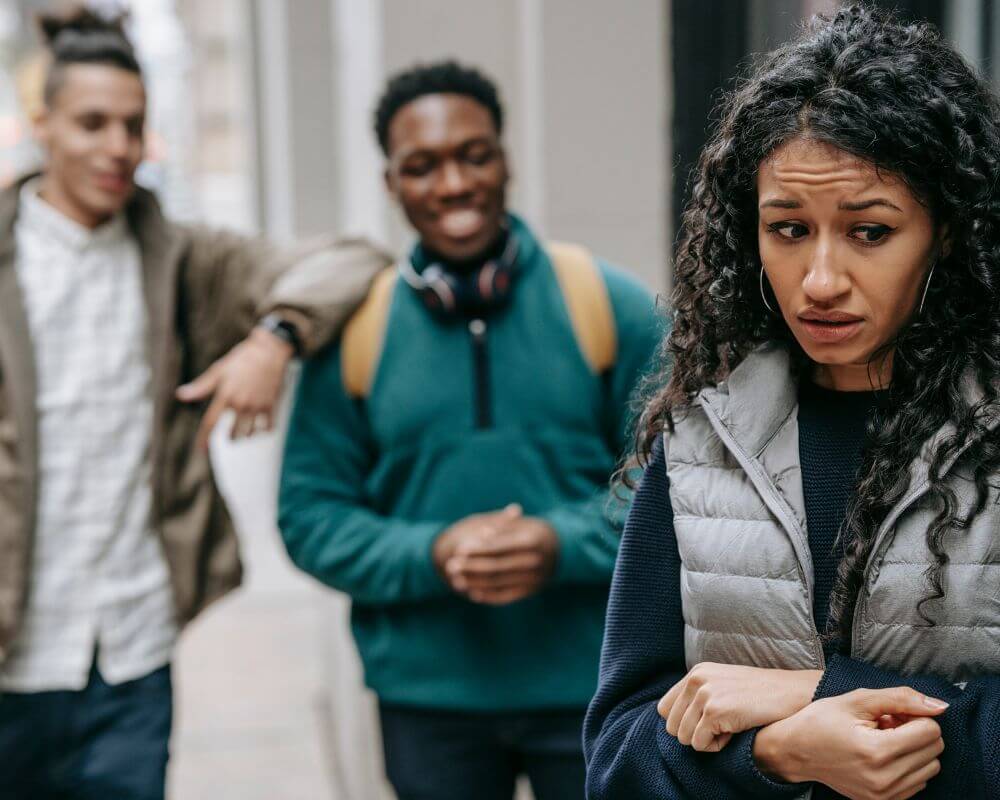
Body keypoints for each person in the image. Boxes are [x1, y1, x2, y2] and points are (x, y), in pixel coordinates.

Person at [585, 4, 1000, 799]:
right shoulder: (704, 440)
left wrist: (819, 690)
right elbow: (614, 760)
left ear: (945, 232)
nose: (820, 280)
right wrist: (777, 754)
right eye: (787, 228)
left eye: (870, 232)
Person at [0, 8, 388, 800]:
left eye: (133, 126)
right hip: (13, 661)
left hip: (132, 659)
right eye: (93, 123)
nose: (118, 147)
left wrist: (273, 339)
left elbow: (354, 258)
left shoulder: (182, 260)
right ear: (42, 127)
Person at [279, 60, 659, 800]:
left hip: (593, 685)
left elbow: (677, 486)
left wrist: (560, 543)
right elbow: (309, 515)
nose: (453, 184)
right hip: (428, 704)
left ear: (506, 158)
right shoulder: (354, 332)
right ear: (391, 183)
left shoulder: (610, 305)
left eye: (472, 155)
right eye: (422, 166)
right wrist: (434, 552)